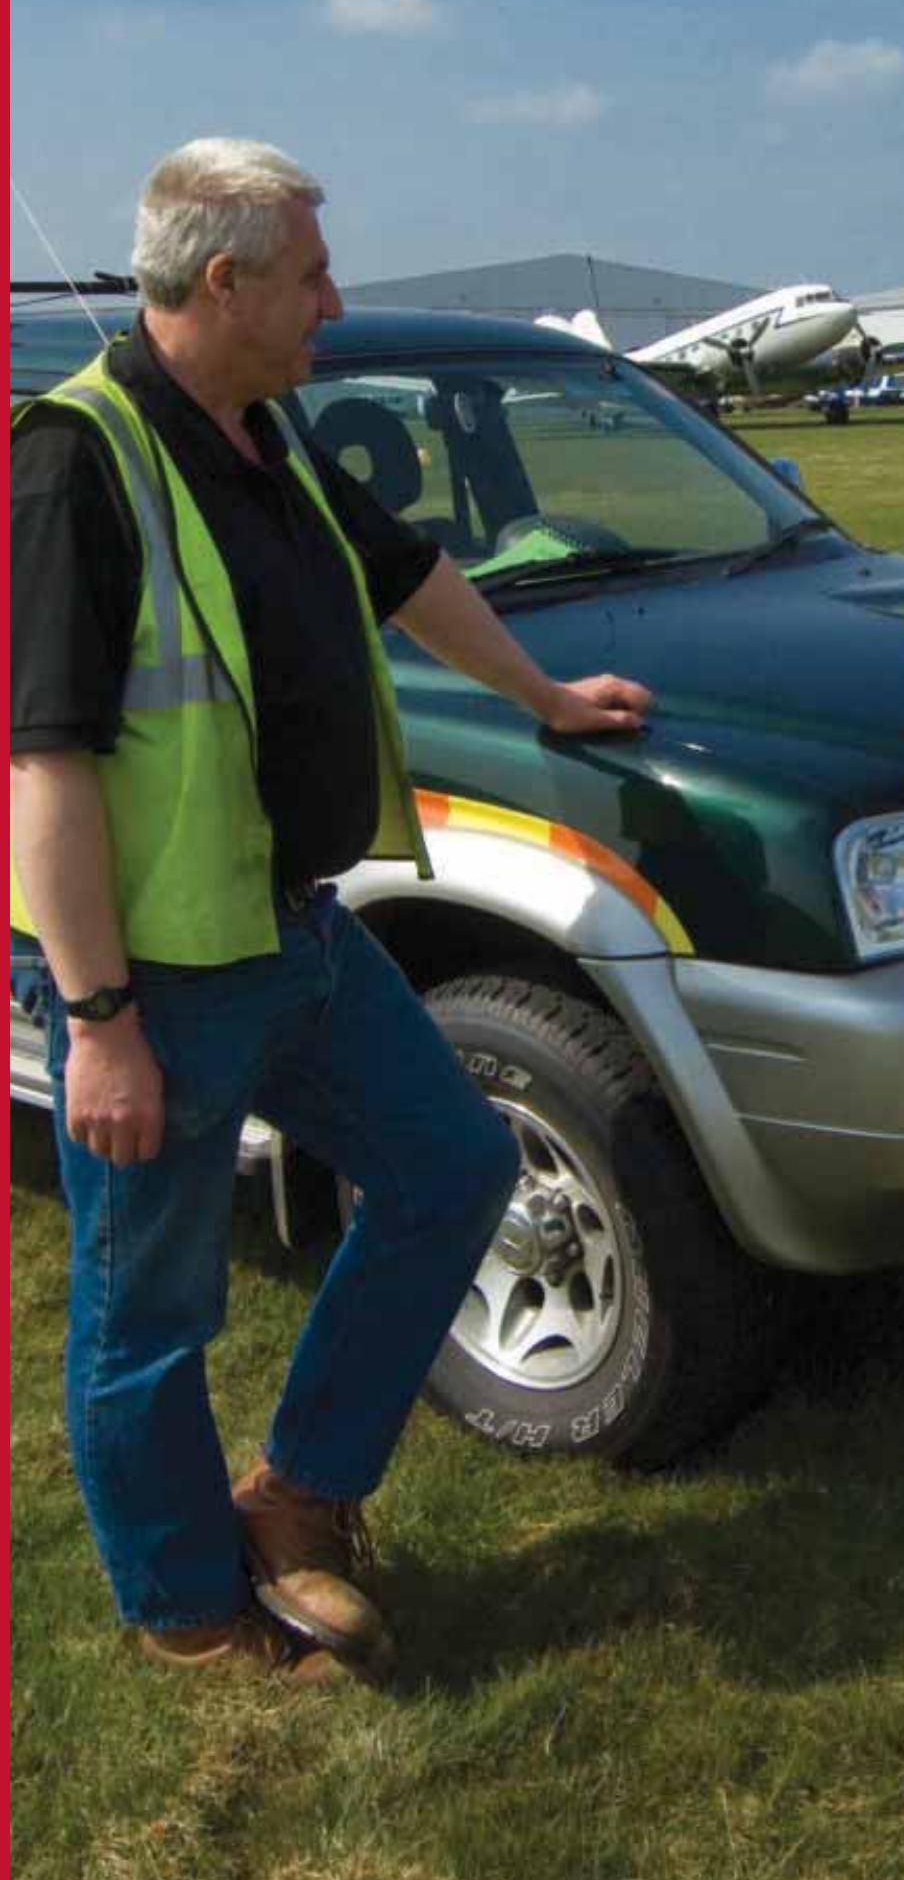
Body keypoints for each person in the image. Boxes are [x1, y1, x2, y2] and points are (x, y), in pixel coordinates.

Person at [8, 138, 655, 1680]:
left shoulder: (262, 428)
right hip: (157, 974)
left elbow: (407, 568)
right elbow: (42, 764)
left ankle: (298, 1496)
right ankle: (187, 1607)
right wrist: (96, 1021)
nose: (333, 300)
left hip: (291, 928)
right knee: (147, 1307)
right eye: (308, 273)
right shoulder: (74, 459)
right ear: (221, 281)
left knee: (447, 1165)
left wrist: (546, 692)